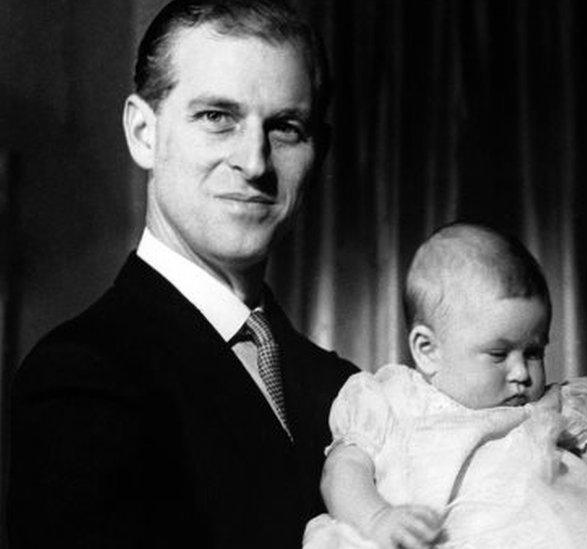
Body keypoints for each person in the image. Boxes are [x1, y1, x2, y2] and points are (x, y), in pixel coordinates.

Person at [6, 1, 358, 547]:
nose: (256, 163)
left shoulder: (343, 386)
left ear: (320, 153)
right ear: (143, 133)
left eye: (286, 128)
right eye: (217, 117)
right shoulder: (81, 376)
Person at [304, 223, 587, 549]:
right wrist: (377, 518)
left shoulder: (543, 409)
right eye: (499, 355)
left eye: (533, 352)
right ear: (428, 350)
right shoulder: (390, 400)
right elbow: (341, 472)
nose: (521, 373)